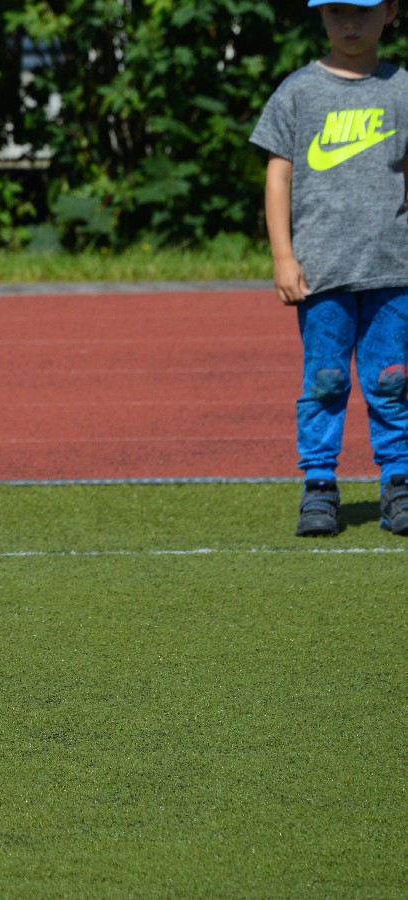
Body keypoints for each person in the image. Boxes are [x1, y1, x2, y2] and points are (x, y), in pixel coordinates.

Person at [250, 0, 408, 537]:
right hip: (322, 271)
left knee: (391, 380)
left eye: (363, 10)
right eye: (336, 11)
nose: (349, 23)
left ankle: (399, 481)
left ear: (390, 12)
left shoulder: (401, 89)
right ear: (320, 17)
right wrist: (283, 256)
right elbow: (278, 177)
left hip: (393, 270)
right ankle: (319, 485)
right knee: (326, 379)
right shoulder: (298, 91)